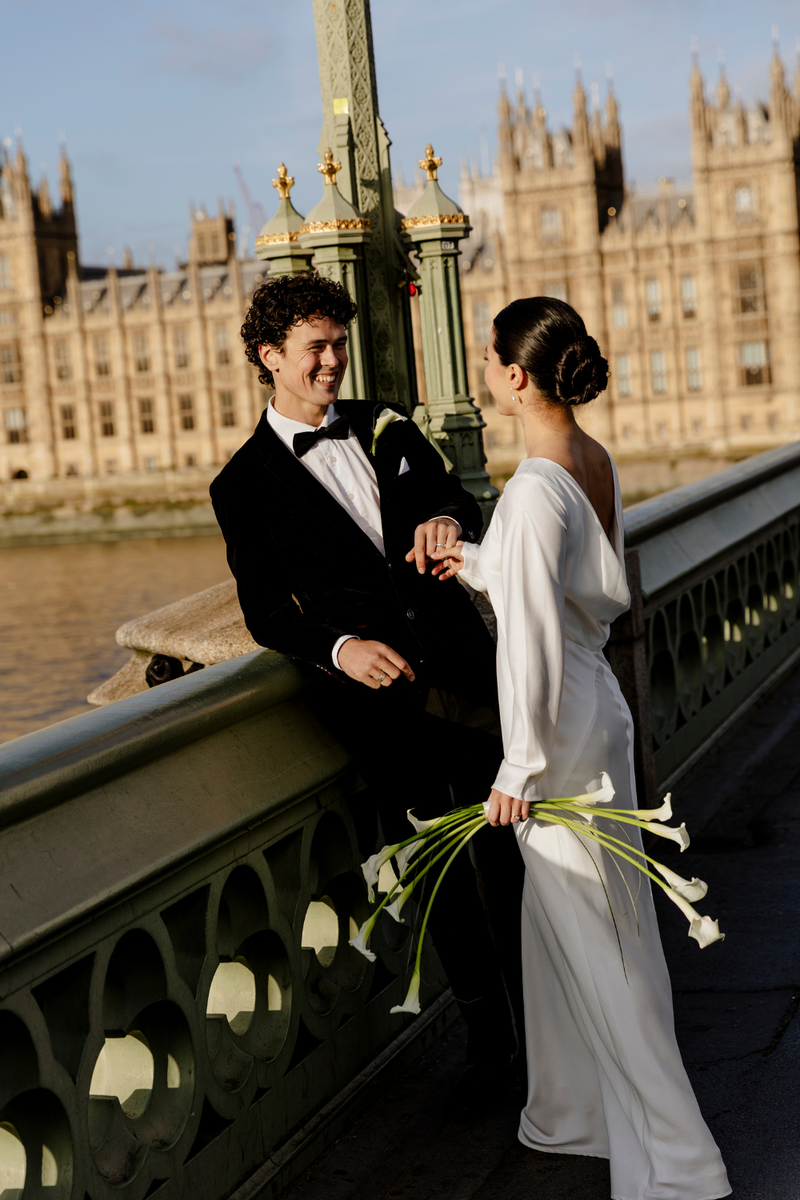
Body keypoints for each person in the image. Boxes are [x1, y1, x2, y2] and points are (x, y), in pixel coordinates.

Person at [430, 297, 731, 1199]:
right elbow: (568, 591)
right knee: (567, 926)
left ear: (516, 377)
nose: (485, 375)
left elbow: (526, 641)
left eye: (489, 361)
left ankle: (681, 1163)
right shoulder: (589, 460)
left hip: (555, 731)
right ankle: (572, 1114)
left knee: (604, 947)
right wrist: (477, 563)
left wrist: (516, 770)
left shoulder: (527, 487)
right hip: (600, 707)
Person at [210, 270, 525, 1100]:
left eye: (338, 345)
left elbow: (453, 493)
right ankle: (492, 1043)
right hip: (386, 707)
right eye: (315, 348)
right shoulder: (241, 485)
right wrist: (342, 646)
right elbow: (268, 612)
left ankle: (558, 1023)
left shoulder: (386, 422)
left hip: (471, 676)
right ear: (268, 356)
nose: (331, 363)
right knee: (445, 875)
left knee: (519, 852)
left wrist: (449, 518)